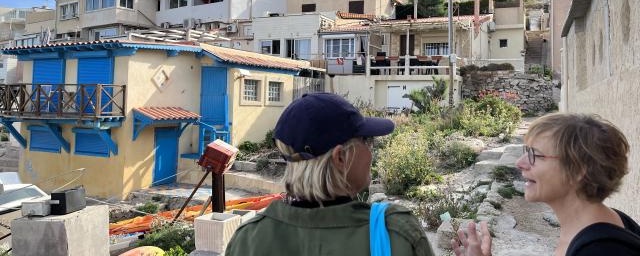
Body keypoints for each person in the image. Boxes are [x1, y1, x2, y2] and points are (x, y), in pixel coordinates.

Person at [226, 92, 434, 256]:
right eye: (367, 141)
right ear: (340, 158)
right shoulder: (395, 232)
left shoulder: (247, 241)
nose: (371, 152)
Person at [452, 113, 640, 256]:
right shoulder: (605, 224)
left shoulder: (601, 250)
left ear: (577, 170)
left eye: (535, 155)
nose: (520, 163)